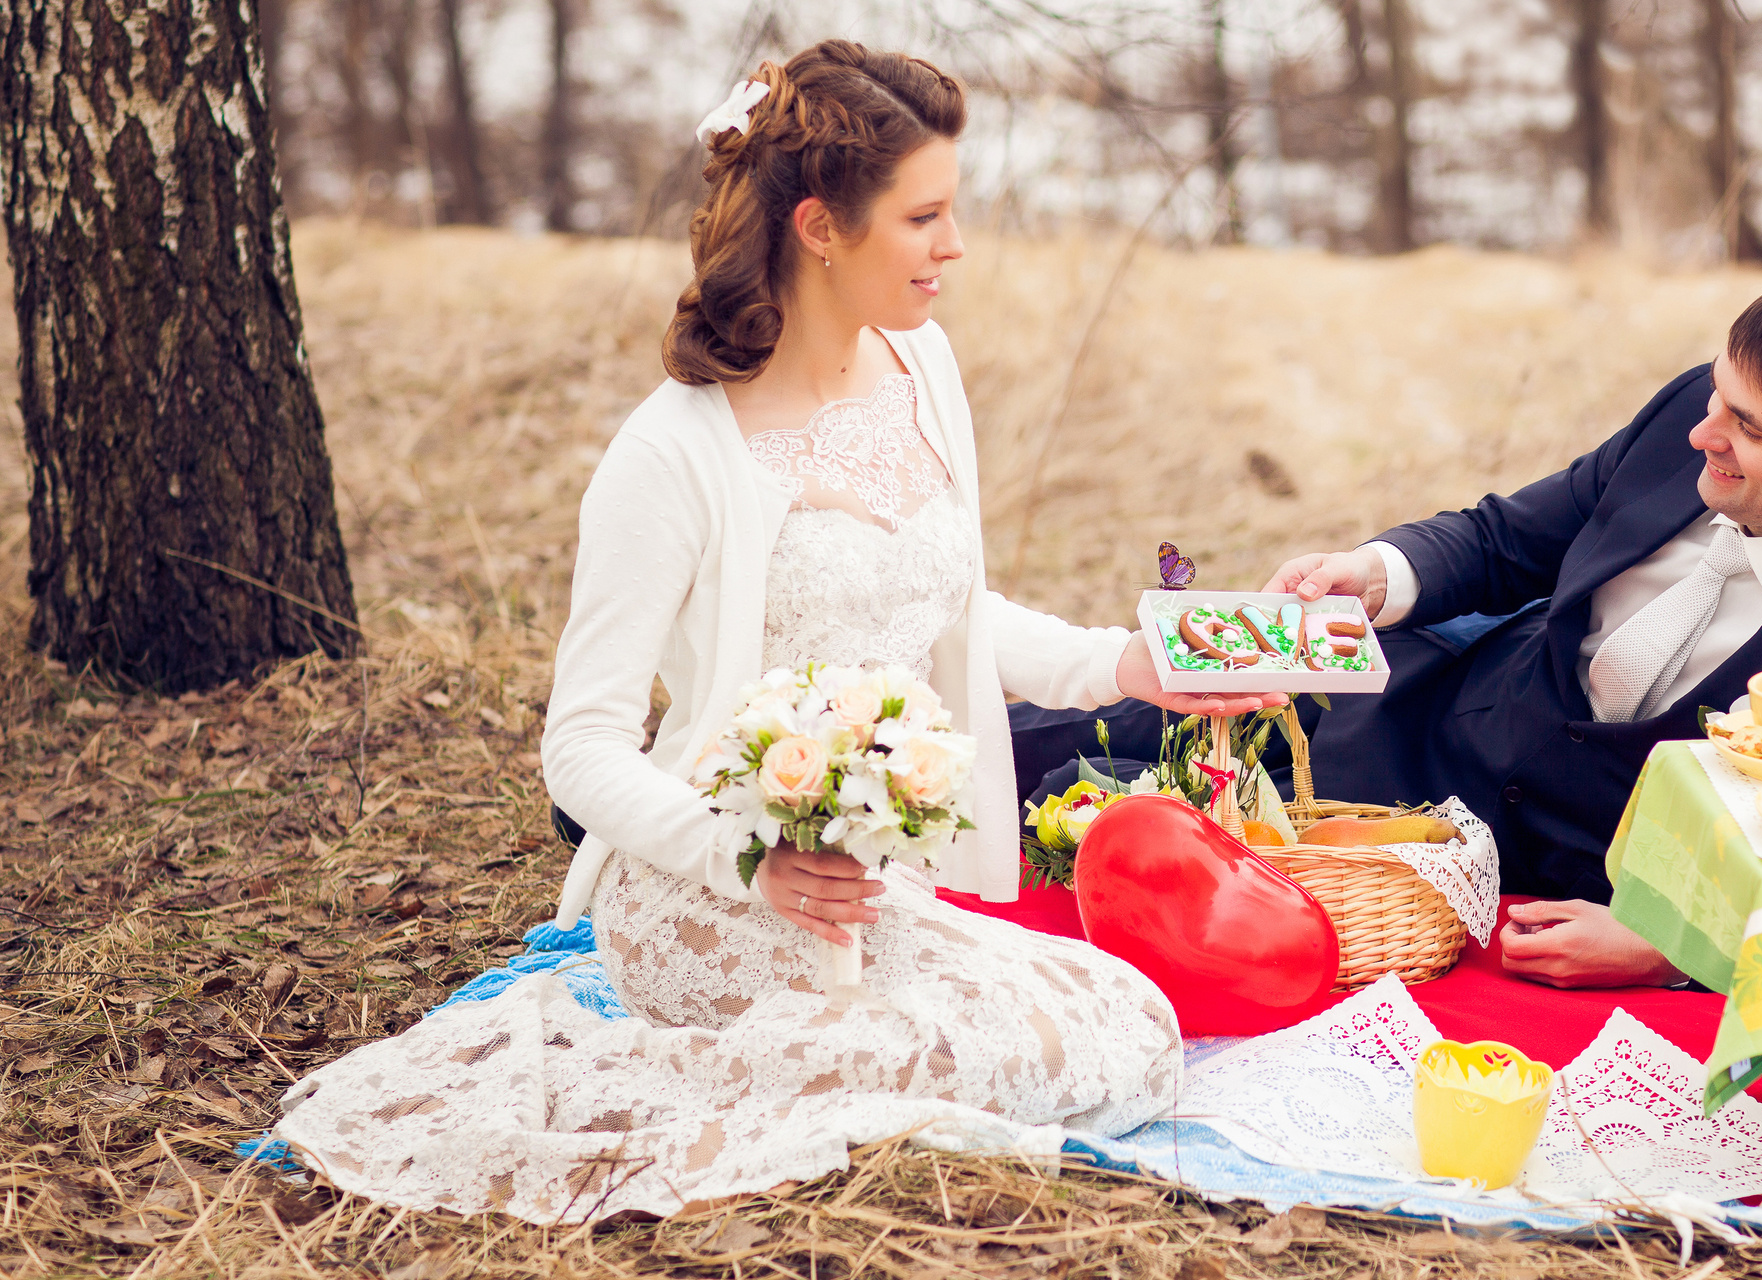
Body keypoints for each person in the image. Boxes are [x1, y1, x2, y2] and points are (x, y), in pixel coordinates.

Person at [271, 42, 1277, 1222]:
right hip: (711, 890)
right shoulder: (673, 450)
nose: (954, 247)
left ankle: (867, 1054)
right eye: (926, 217)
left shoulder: (923, 367)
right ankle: (652, 1093)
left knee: (1125, 1021)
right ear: (819, 226)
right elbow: (582, 747)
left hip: (878, 881)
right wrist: (749, 858)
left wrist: (1127, 664)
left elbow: (943, 604)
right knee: (1012, 1048)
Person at [1010, 252, 1762, 991]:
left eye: (1749, 428)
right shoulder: (1691, 420)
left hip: (1484, 889)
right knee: (1045, 757)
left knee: (1119, 838)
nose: (1707, 431)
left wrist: (1676, 948)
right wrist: (1374, 576)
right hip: (1413, 713)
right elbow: (1515, 538)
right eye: (1718, 395)